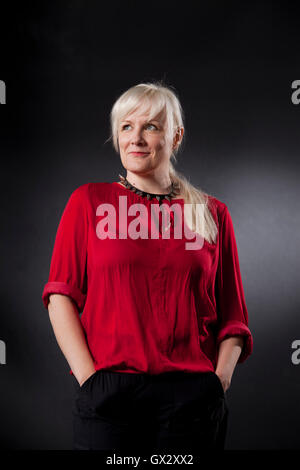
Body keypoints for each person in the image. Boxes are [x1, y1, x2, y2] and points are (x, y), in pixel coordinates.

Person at [41, 81, 253, 454]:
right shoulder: (89, 202)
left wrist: (218, 381)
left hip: (192, 399)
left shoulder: (210, 213)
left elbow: (233, 317)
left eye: (150, 126)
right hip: (109, 394)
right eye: (126, 126)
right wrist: (90, 380)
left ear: (175, 137)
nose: (135, 138)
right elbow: (60, 296)